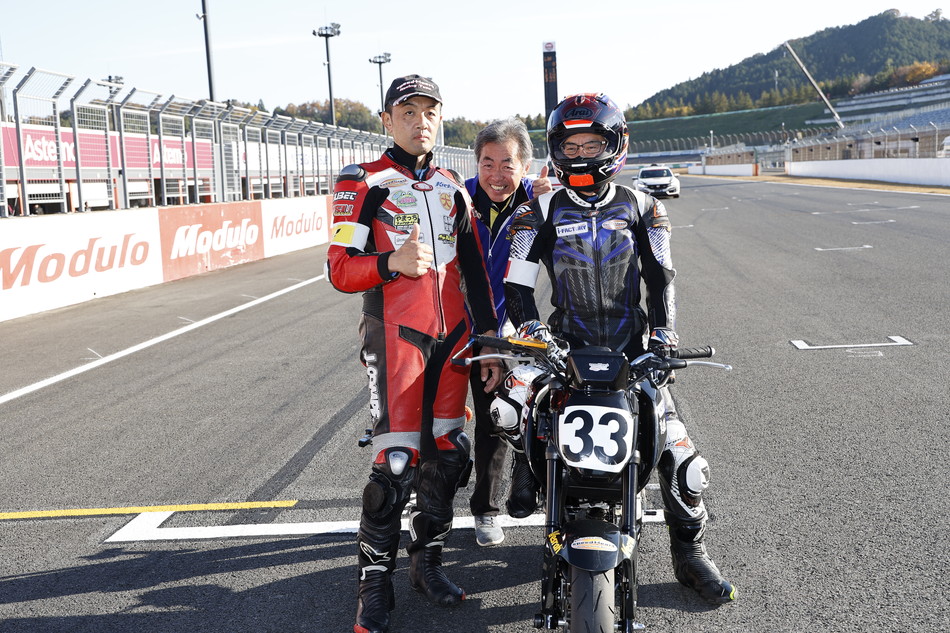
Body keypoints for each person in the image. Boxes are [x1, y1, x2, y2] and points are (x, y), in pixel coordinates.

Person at [499, 93, 737, 605]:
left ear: (615, 145)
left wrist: (664, 337)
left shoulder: (646, 206)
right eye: (570, 145)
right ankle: (527, 462)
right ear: (556, 150)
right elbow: (516, 286)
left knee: (682, 459)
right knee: (511, 410)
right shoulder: (536, 210)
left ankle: (690, 553)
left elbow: (661, 280)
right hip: (564, 352)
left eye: (592, 143)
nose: (580, 154)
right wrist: (535, 333)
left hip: (632, 354)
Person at [326, 74, 503, 633]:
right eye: (408, 111)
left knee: (449, 454)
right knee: (395, 464)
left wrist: (490, 342)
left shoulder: (452, 186)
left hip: (454, 340)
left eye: (430, 111)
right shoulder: (362, 182)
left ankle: (427, 564)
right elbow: (339, 270)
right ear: (387, 120)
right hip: (396, 335)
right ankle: (373, 589)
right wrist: (391, 264)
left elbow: (476, 272)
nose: (420, 121)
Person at [463, 118, 551, 547]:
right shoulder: (456, 198)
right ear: (476, 163)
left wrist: (549, 202)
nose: (496, 175)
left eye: (507, 164)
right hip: (453, 328)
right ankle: (431, 494)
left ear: (525, 166)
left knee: (495, 421)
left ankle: (486, 509)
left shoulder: (540, 202)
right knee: (436, 425)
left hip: (509, 332)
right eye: (487, 163)